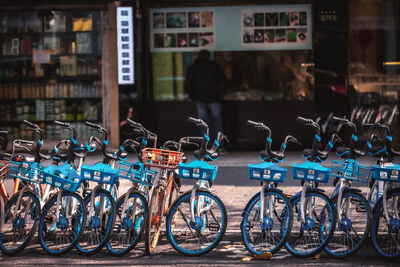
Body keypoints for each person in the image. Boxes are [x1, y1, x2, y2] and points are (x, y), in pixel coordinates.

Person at [184, 50, 226, 143]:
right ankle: (220, 146)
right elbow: (223, 79)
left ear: (198, 56)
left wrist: (192, 96)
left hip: (199, 98)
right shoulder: (214, 65)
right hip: (214, 97)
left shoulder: (193, 67)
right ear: (208, 56)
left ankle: (205, 146)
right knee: (218, 122)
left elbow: (188, 84)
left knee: (202, 123)